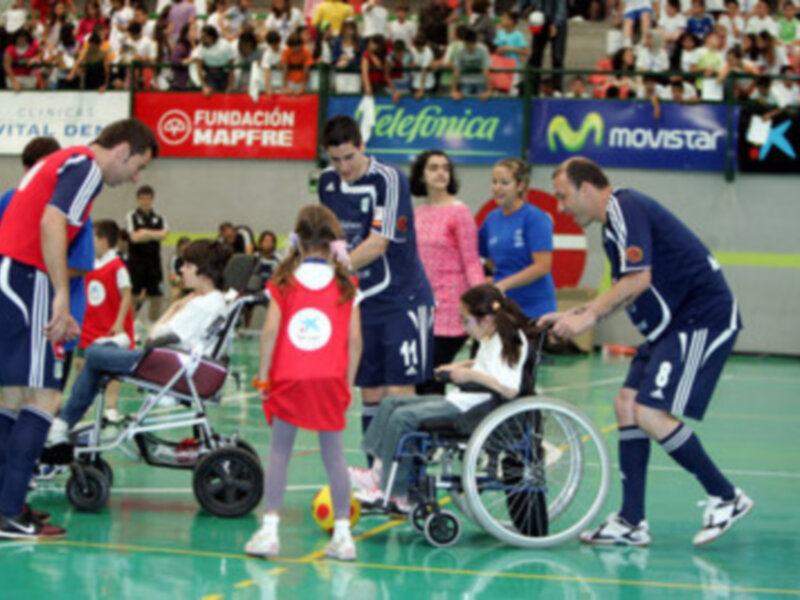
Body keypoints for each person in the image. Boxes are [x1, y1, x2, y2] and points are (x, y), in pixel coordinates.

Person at [543, 157, 753, 547]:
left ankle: (726, 496)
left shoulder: (625, 206)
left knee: (649, 411)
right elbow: (629, 288)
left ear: (586, 188)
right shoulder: (612, 230)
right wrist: (573, 313)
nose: (561, 206)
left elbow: (639, 278)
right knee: (626, 404)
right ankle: (631, 521)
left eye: (563, 196)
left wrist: (588, 316)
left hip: (701, 317)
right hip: (670, 326)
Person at [0, 118, 157, 540]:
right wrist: (61, 295)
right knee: (47, 397)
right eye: (138, 166)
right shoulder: (87, 166)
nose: (135, 177)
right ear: (122, 150)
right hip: (29, 278)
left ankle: (7, 503)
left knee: (15, 396)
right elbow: (52, 223)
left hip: (13, 275)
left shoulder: (64, 159)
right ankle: (7, 511)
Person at [245, 205, 361, 561]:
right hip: (329, 379)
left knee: (279, 452)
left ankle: (269, 530)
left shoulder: (283, 282)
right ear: (333, 241)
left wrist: (264, 378)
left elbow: (269, 333)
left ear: (297, 239)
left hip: (289, 375)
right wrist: (347, 384)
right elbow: (355, 340)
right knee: (334, 456)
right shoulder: (347, 283)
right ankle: (343, 536)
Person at [349, 284, 531, 511]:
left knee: (403, 418)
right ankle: (377, 472)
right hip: (464, 400)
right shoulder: (491, 336)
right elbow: (486, 365)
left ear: (485, 319)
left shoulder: (512, 340)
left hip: (476, 410)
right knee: (390, 403)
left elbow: (509, 389)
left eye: (466, 321)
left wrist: (468, 375)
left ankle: (397, 493)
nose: (464, 327)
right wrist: (459, 366)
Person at [318, 116, 434, 450]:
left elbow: (378, 243)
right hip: (361, 299)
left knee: (398, 390)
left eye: (349, 157)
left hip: (402, 297)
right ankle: (377, 474)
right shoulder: (327, 182)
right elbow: (330, 238)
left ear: (362, 146)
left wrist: (330, 272)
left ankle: (406, 480)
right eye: (335, 159)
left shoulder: (389, 179)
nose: (343, 167)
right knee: (369, 390)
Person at [48, 239, 231, 442]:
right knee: (97, 360)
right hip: (177, 362)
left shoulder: (200, 306)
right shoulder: (215, 301)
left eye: (188, 265)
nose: (182, 270)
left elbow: (154, 337)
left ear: (203, 271)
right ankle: (63, 423)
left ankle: (63, 423)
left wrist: (176, 306)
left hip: (168, 365)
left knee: (93, 353)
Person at [410, 151, 485, 395]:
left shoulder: (459, 213)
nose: (441, 172)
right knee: (423, 378)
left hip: (452, 311)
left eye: (445, 168)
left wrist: (483, 304)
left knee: (433, 375)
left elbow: (471, 262)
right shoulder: (417, 215)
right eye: (433, 168)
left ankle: (436, 431)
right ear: (421, 176)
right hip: (423, 310)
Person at [478, 158, 556, 321]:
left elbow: (542, 266)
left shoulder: (534, 218)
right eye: (494, 182)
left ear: (520, 186)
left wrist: (503, 284)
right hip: (504, 309)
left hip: (535, 310)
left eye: (504, 183)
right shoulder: (491, 219)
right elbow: (484, 258)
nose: (497, 188)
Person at [73, 219, 134, 424]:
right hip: (89, 323)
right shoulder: (88, 263)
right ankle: (84, 404)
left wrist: (118, 323)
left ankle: (111, 407)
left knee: (112, 369)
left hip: (110, 326)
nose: (90, 242)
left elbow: (126, 294)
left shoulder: (117, 266)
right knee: (80, 364)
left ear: (104, 240)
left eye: (93, 237)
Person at [126, 184, 168, 332]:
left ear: (152, 199)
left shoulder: (159, 217)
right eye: (142, 199)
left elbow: (164, 234)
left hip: (154, 262)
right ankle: (130, 325)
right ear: (138, 200)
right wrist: (153, 234)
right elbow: (134, 238)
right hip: (136, 262)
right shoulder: (131, 216)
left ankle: (153, 324)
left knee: (156, 295)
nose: (145, 202)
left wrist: (145, 232)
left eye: (148, 198)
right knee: (134, 295)